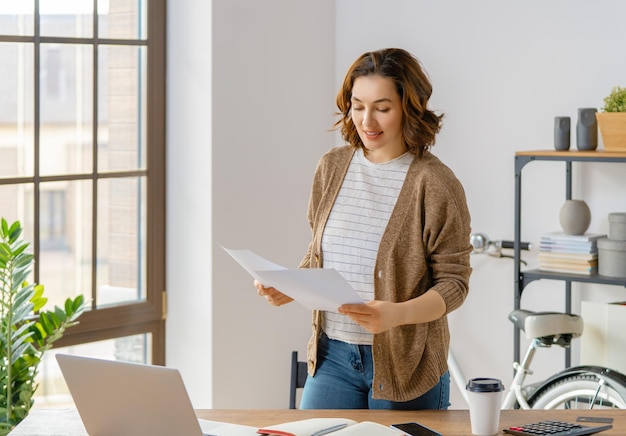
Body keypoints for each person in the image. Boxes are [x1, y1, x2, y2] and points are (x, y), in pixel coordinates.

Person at [256, 48, 472, 410]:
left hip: (406, 365)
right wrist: (291, 284)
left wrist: (397, 314)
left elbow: (454, 283)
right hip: (332, 357)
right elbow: (321, 253)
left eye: (382, 108)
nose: (367, 120)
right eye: (358, 106)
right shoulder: (332, 167)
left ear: (409, 107)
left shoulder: (434, 183)